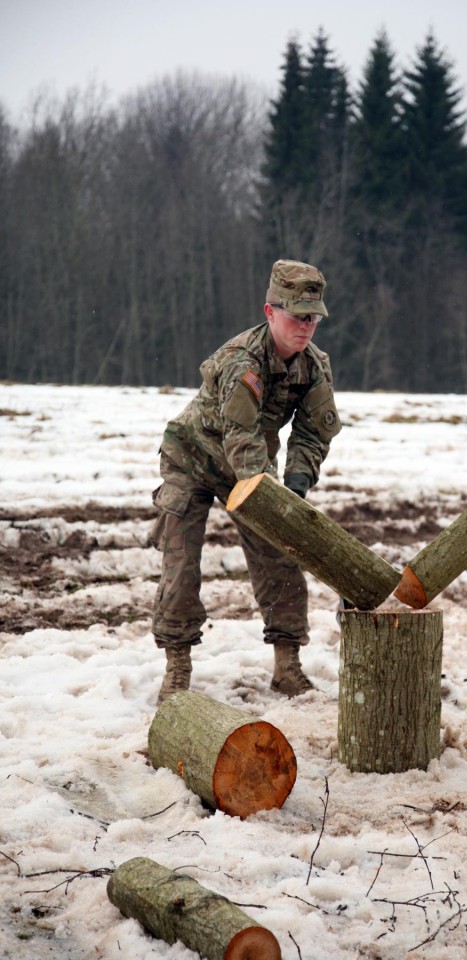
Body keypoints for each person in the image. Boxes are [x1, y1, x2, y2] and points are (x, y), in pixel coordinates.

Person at [149, 259, 341, 705]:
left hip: (252, 468)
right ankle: (177, 668)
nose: (307, 327)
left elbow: (316, 431)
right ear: (270, 312)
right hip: (192, 459)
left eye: (313, 317)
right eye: (297, 316)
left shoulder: (314, 367)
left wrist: (294, 487)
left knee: (280, 557)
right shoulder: (243, 361)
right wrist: (267, 494)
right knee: (181, 561)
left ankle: (287, 667)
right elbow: (243, 437)